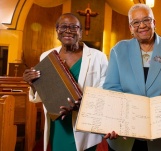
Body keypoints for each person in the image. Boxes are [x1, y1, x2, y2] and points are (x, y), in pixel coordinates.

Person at [103, 3, 161, 151]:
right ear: (131, 28)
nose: (141, 25)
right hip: (125, 134)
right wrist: (114, 121)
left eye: (146, 20)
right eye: (135, 22)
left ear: (154, 23)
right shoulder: (119, 50)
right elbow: (112, 89)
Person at [23, 13, 108, 151]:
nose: (68, 30)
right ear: (57, 31)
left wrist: (84, 103)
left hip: (85, 120)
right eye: (63, 27)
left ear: (80, 32)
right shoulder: (47, 56)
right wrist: (32, 83)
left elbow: (105, 89)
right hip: (59, 121)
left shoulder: (98, 57)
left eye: (74, 27)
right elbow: (45, 90)